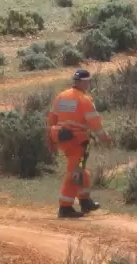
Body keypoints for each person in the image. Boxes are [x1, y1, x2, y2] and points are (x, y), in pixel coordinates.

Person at [48, 69, 113, 218]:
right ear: (84, 82)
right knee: (74, 173)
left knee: (81, 171)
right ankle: (65, 207)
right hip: (77, 141)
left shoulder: (61, 96)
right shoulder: (84, 100)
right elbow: (95, 124)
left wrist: (50, 140)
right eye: (87, 82)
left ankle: (85, 201)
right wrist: (105, 138)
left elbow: (52, 119)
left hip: (62, 140)